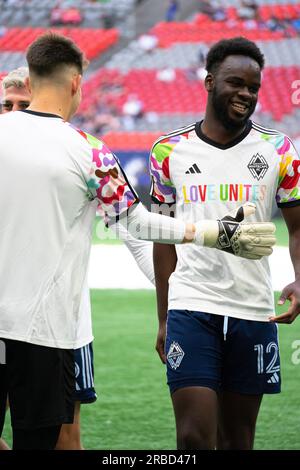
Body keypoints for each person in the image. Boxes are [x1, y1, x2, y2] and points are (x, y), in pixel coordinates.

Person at [0, 33, 275, 450]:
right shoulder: (89, 152)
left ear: (31, 79)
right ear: (76, 84)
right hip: (42, 333)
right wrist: (211, 233)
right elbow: (138, 224)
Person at [150, 36, 300, 450]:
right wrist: (164, 316)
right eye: (236, 83)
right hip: (191, 306)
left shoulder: (279, 150)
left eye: (254, 87)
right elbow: (163, 237)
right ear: (209, 81)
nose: (246, 94)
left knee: (237, 439)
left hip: (253, 309)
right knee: (194, 437)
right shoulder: (168, 151)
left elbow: (298, 227)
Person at [0, 67, 155, 450]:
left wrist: (176, 292)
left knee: (63, 438)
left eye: (23, 103)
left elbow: (133, 232)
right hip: (7, 318)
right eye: (7, 104)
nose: (15, 110)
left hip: (61, 326)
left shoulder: (79, 155)